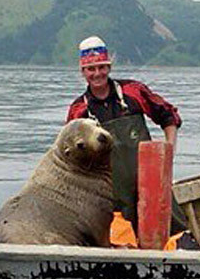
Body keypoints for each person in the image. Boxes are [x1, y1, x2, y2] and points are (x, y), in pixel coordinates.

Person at [66, 36, 187, 244]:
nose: (97, 74)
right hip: (112, 195)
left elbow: (169, 117)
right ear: (83, 72)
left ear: (109, 67)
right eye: (91, 69)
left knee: (176, 238)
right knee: (122, 244)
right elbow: (72, 157)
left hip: (152, 185)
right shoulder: (79, 111)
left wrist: (168, 153)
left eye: (102, 67)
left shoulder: (134, 91)